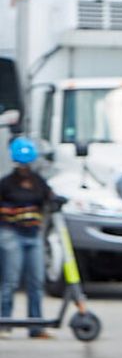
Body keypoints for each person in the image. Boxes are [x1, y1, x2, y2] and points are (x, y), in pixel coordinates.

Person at [0, 137, 56, 338]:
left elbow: (49, 196)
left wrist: (56, 199)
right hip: (11, 234)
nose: (25, 167)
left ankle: (36, 326)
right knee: (10, 281)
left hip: (33, 235)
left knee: (36, 281)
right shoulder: (6, 183)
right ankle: (4, 323)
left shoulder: (38, 182)